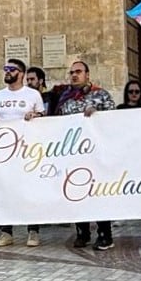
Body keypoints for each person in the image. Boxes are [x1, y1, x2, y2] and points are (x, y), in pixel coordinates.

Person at [52, 60, 115, 251]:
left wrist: (98, 115)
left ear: (87, 74)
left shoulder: (101, 95)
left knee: (98, 193)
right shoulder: (65, 99)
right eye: (71, 72)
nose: (74, 75)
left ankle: (105, 234)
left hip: (97, 155)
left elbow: (115, 120)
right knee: (76, 192)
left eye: (78, 71)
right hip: (74, 156)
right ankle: (82, 232)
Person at [0, 58, 44, 247]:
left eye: (11, 69)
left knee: (30, 190)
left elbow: (44, 119)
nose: (7, 72)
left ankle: (33, 231)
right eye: (5, 69)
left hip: (27, 150)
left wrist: (34, 116)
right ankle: (5, 231)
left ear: (20, 73)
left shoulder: (33, 95)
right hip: (4, 151)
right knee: (5, 190)